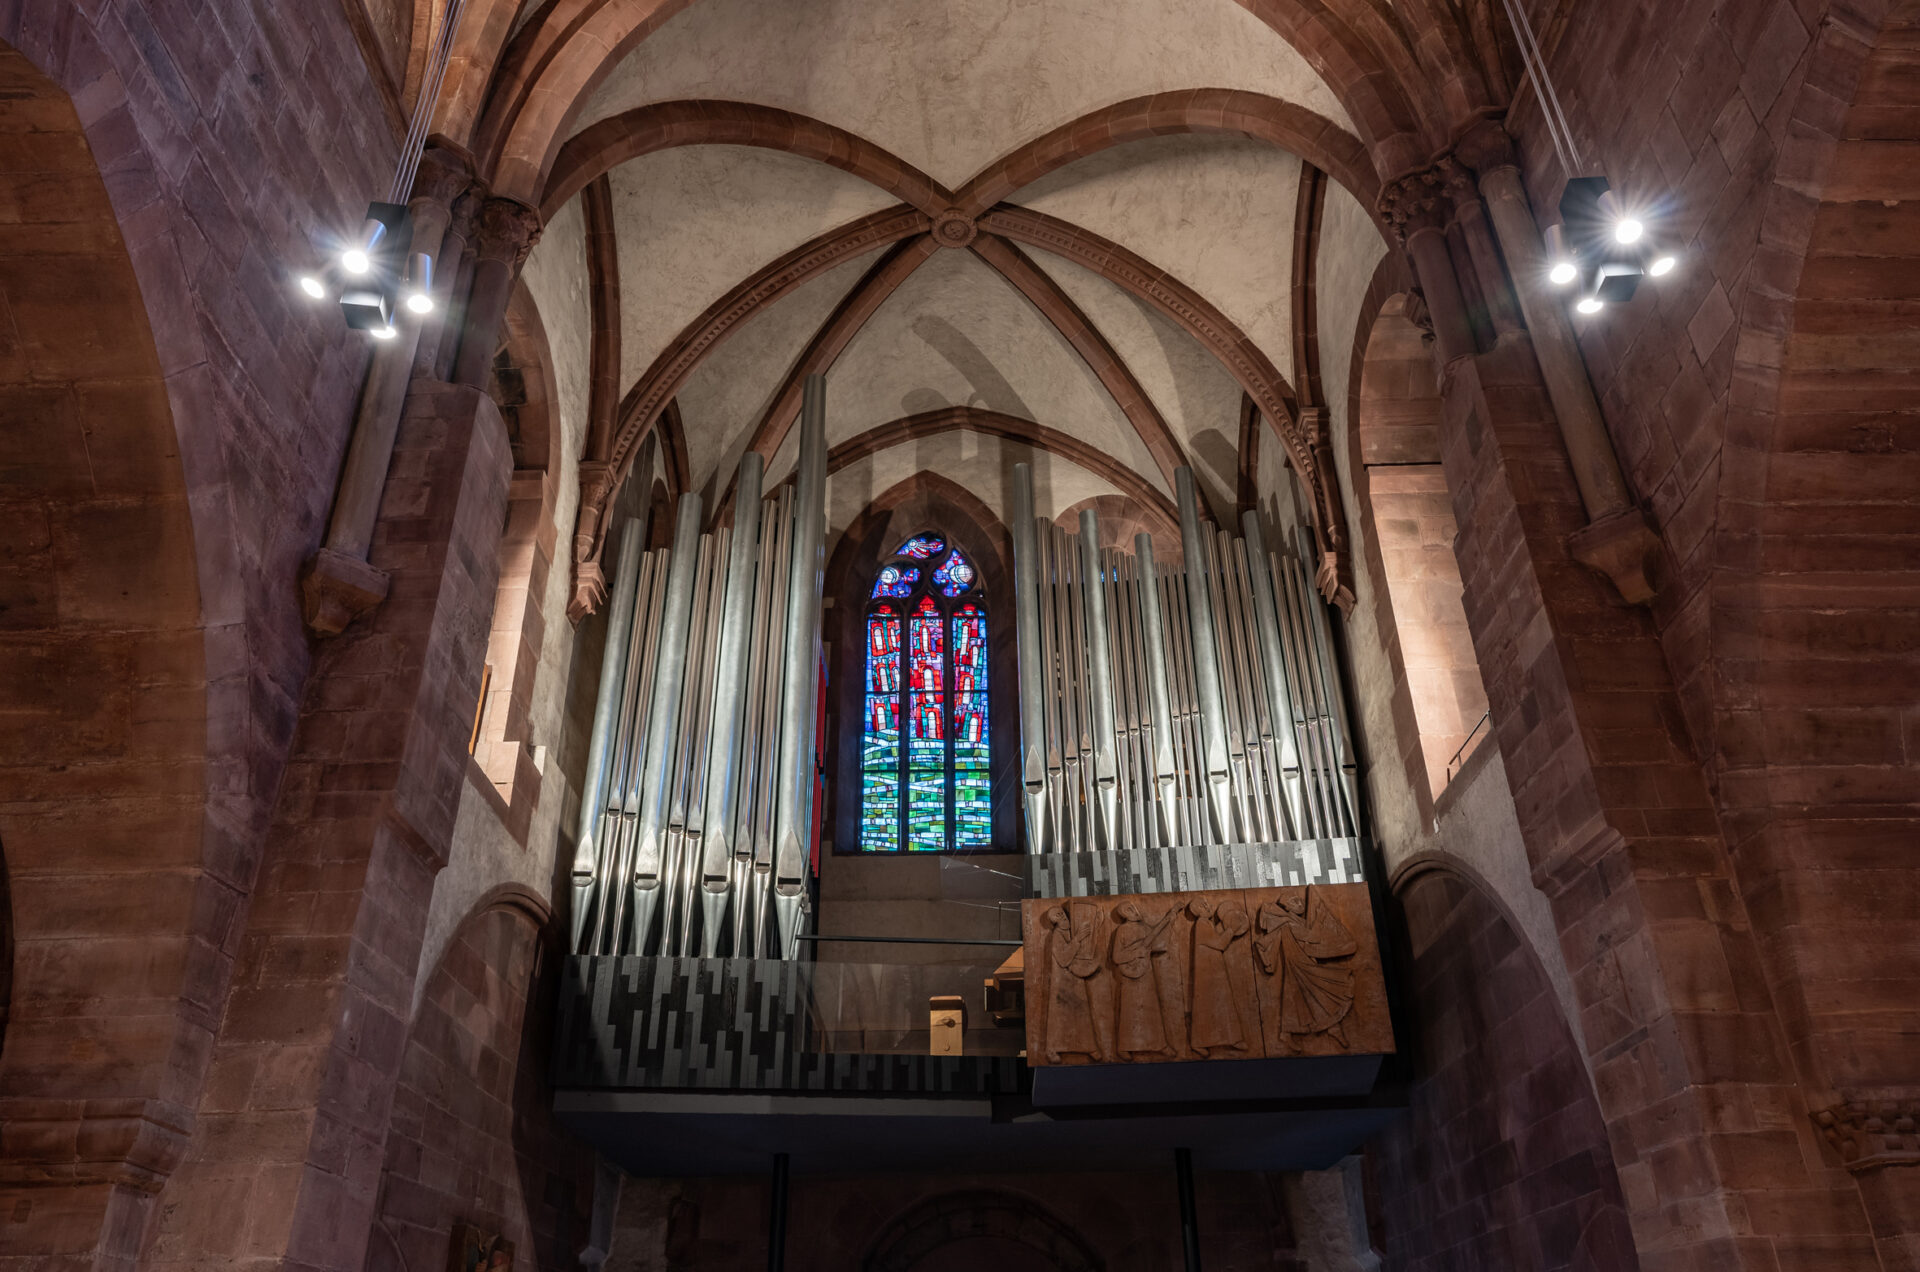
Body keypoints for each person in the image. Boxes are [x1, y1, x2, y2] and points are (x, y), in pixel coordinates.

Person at [1253, 888, 1358, 1050]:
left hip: (1305, 966)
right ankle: (1297, 1033)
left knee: (1311, 1000)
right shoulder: (1289, 923)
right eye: (1294, 901)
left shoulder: (1297, 922)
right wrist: (1320, 919)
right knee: (1324, 993)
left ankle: (1329, 1029)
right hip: (1301, 968)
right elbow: (1313, 937)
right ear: (1287, 908)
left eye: (1299, 899)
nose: (1299, 903)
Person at [1110, 900, 1176, 1059]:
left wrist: (1170, 923)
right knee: (1129, 1011)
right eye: (1130, 909)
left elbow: (1158, 944)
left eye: (1134, 907)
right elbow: (1117, 957)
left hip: (1146, 974)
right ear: (1125, 914)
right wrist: (1135, 954)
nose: (1134, 910)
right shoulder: (1122, 931)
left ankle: (1160, 1044)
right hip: (1130, 975)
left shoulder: (1144, 928)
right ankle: (1124, 1047)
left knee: (1151, 1008)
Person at [1188, 897, 1250, 1055]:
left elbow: (1216, 939)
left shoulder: (1207, 924)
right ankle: (1198, 1043)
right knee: (1206, 1006)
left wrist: (1229, 926)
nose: (1208, 907)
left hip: (1215, 969)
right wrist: (1231, 929)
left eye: (1207, 904)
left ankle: (1232, 1038)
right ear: (1197, 911)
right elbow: (1220, 944)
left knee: (1223, 1002)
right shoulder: (1201, 924)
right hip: (1207, 972)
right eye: (1203, 906)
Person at [1043, 904, 1100, 1061]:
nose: (1062, 917)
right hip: (1062, 983)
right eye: (1057, 916)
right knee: (1059, 1018)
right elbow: (1063, 959)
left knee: (1082, 1014)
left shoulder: (1071, 930)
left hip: (1076, 980)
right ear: (1053, 921)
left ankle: (1089, 1047)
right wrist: (1078, 939)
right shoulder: (1056, 935)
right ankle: (1053, 1049)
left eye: (1062, 913)